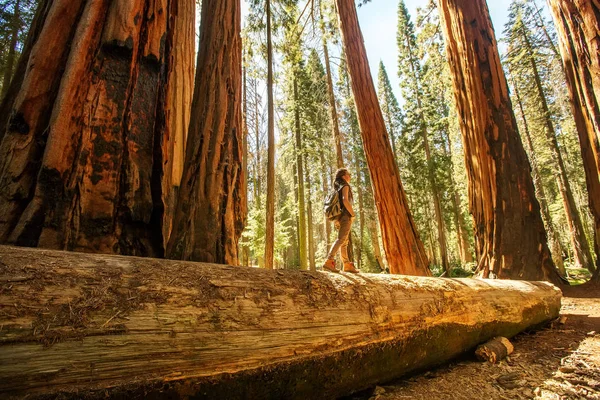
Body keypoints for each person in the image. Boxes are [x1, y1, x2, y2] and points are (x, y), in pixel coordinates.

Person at [322, 168, 359, 273]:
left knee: (344, 241)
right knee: (341, 239)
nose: (350, 176)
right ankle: (329, 260)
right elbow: (345, 200)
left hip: (337, 217)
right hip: (345, 216)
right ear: (344, 176)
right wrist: (352, 214)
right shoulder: (345, 186)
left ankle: (346, 264)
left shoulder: (336, 187)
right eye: (348, 174)